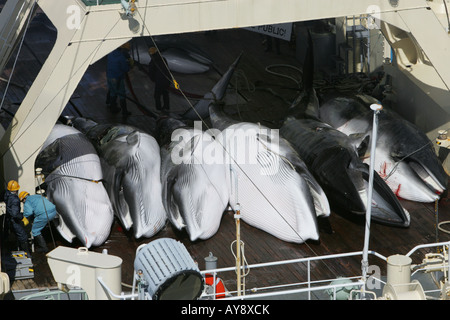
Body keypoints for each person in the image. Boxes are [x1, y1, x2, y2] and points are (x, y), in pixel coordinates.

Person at [2, 180, 30, 255]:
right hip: (14, 220)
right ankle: (27, 253)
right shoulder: (15, 200)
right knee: (23, 236)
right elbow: (15, 214)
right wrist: (22, 218)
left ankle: (7, 249)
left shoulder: (6, 194)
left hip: (8, 218)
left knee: (8, 234)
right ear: (16, 190)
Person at [106, 42, 133, 117]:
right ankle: (124, 111)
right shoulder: (121, 57)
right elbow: (125, 68)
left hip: (109, 76)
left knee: (112, 92)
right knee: (121, 94)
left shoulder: (110, 54)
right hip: (118, 78)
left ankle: (113, 108)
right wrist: (129, 66)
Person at [148, 47, 172, 112]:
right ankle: (166, 107)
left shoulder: (153, 61)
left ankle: (158, 109)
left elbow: (151, 72)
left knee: (157, 95)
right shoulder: (163, 59)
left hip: (160, 81)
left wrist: (154, 79)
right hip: (167, 79)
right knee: (165, 94)